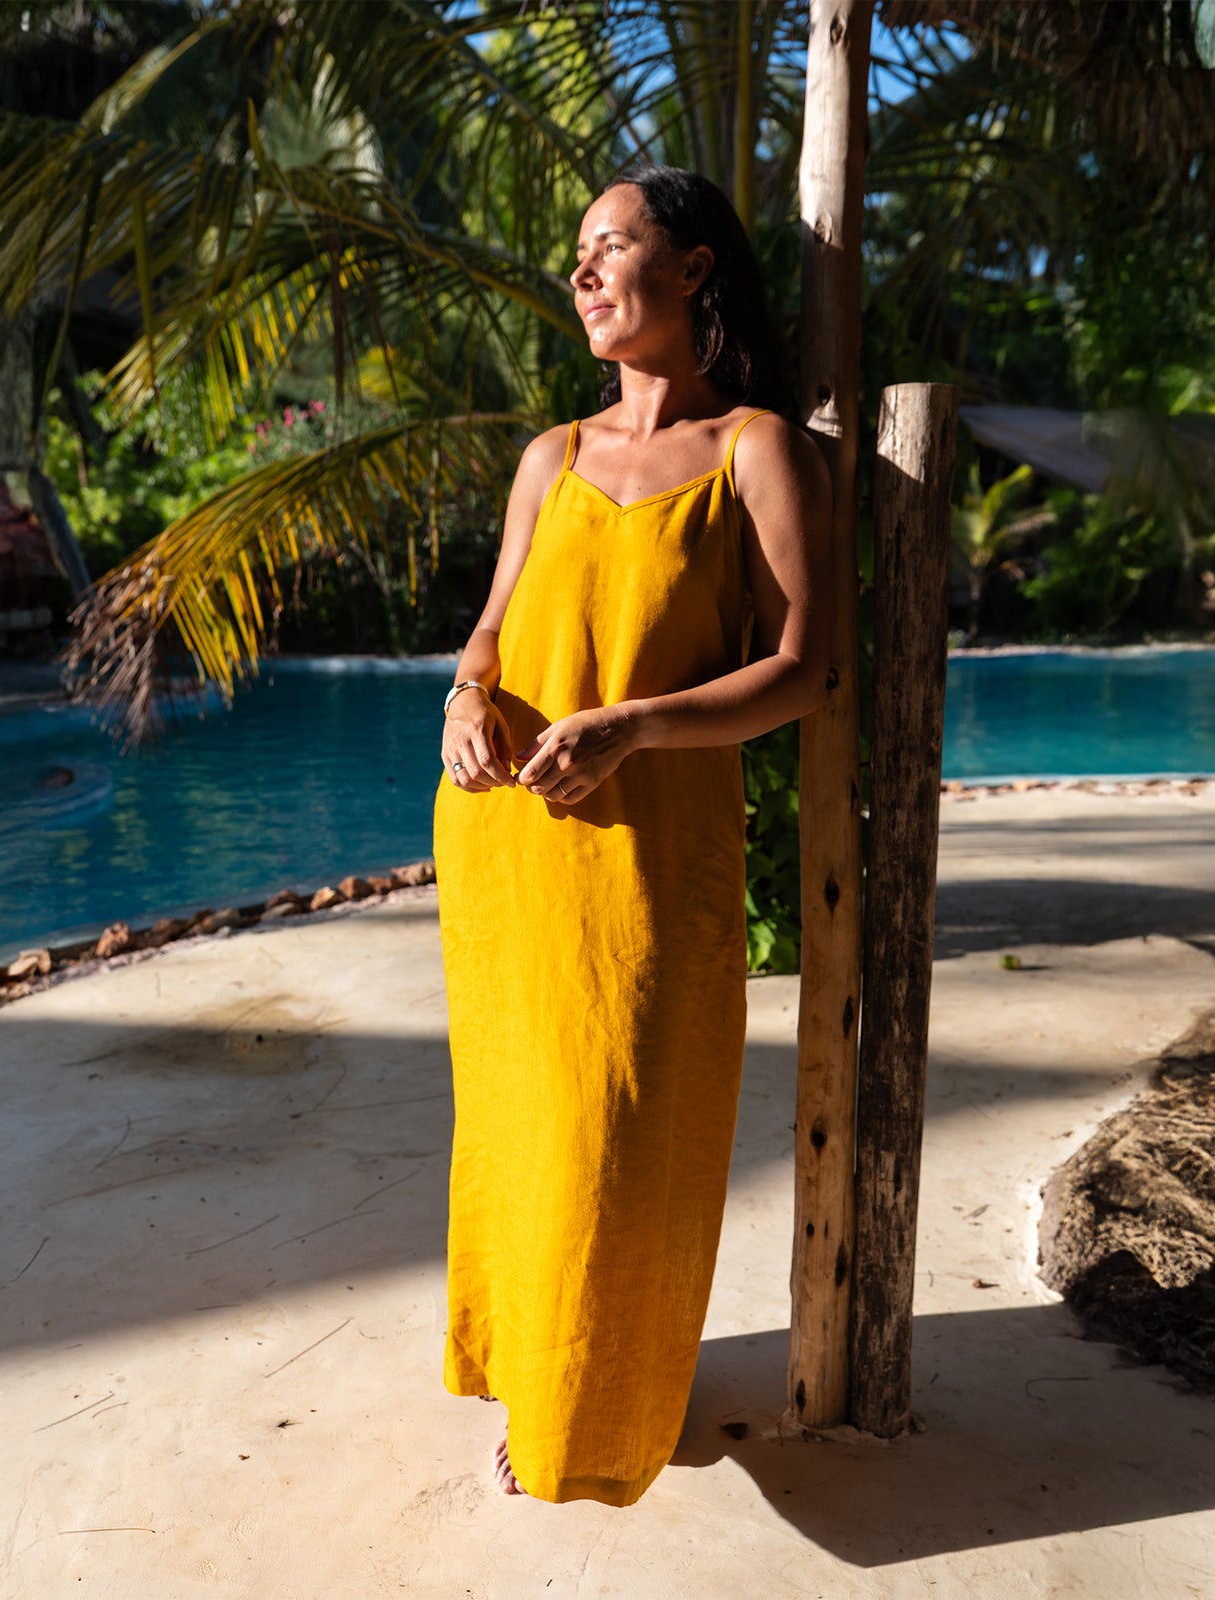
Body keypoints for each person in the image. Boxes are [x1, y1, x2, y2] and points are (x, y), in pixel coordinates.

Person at [432, 163, 833, 1507]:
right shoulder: (550, 455)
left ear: (698, 266)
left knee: (626, 1137)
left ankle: (605, 1412)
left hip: (651, 853)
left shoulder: (754, 451)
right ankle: (544, 1374)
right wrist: (462, 698)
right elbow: (491, 630)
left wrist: (638, 727)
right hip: (510, 848)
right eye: (578, 255)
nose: (586, 272)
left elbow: (805, 667)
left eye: (614, 244)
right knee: (528, 1125)